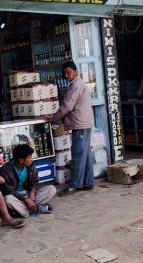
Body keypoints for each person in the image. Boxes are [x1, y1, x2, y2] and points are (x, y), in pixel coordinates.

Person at [50, 60, 94, 197]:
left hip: (80, 123)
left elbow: (67, 106)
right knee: (85, 154)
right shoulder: (77, 84)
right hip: (83, 123)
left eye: (69, 72)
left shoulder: (76, 85)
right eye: (65, 73)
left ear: (76, 71)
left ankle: (74, 185)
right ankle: (88, 182)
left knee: (78, 155)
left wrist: (54, 118)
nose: (67, 75)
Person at [0, 144, 56, 217]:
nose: (31, 159)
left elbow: (35, 182)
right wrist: (25, 199)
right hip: (16, 196)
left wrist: (32, 192)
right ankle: (36, 208)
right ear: (21, 160)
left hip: (28, 194)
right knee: (8, 199)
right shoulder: (6, 169)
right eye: (29, 158)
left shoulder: (31, 166)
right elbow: (9, 191)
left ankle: (24, 211)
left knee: (51, 189)